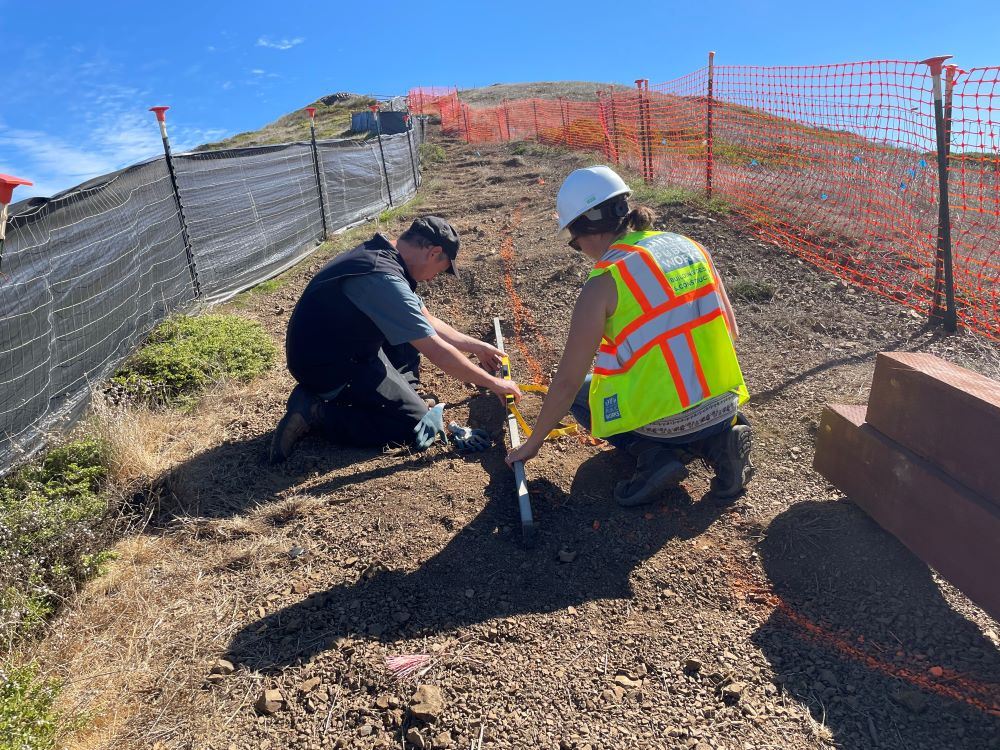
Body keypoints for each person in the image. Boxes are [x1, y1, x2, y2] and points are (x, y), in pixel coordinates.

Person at [505, 166, 754, 505]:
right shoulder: (691, 246)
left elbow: (565, 383)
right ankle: (718, 444)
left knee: (581, 393)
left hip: (668, 424)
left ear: (586, 231)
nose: (581, 251)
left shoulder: (604, 284)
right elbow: (731, 331)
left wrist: (531, 445)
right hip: (723, 405)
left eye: (574, 243)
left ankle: (652, 455)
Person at [270, 216, 522, 463]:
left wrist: (476, 346)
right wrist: (493, 383)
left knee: (408, 333)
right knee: (413, 425)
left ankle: (400, 397)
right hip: (329, 367)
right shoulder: (384, 279)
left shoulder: (381, 254)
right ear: (433, 253)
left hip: (337, 347)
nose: (433, 278)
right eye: (440, 270)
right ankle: (316, 411)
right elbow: (438, 352)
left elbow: (428, 322)